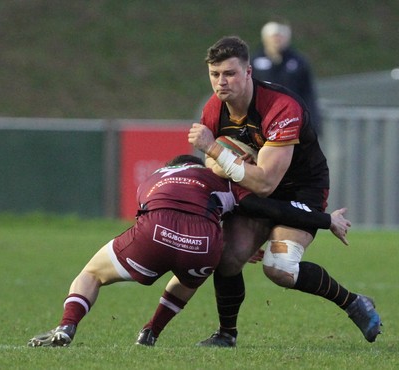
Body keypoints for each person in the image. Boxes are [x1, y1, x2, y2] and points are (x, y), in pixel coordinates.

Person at [27, 154, 350, 348]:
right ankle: (150, 332)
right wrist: (325, 219)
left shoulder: (155, 176)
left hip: (156, 229)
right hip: (203, 243)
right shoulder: (222, 181)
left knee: (92, 274)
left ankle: (67, 325)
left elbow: (148, 209)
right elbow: (270, 209)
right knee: (187, 277)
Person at [188, 36, 381, 347]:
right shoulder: (214, 110)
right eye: (215, 74)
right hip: (256, 188)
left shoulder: (281, 107)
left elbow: (265, 183)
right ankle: (226, 335)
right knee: (227, 255)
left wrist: (214, 149)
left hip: (302, 189)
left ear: (248, 71)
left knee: (279, 268)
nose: (221, 82)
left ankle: (354, 302)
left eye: (230, 73)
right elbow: (215, 171)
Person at [251, 18, 322, 134]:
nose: (277, 40)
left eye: (280, 37)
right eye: (274, 37)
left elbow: (308, 92)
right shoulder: (254, 61)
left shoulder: (298, 62)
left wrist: (312, 123)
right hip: (262, 120)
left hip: (292, 120)